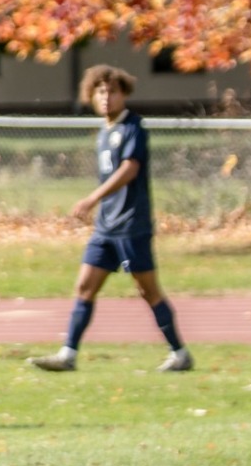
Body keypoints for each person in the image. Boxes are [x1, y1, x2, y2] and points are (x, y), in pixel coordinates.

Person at [28, 65, 192, 373]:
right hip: (106, 227)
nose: (106, 98)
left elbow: (130, 169)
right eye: (101, 92)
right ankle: (68, 355)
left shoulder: (133, 127)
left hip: (131, 225)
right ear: (92, 95)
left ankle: (179, 353)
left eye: (112, 92)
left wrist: (92, 199)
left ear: (124, 94)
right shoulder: (105, 131)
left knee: (148, 291)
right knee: (85, 286)